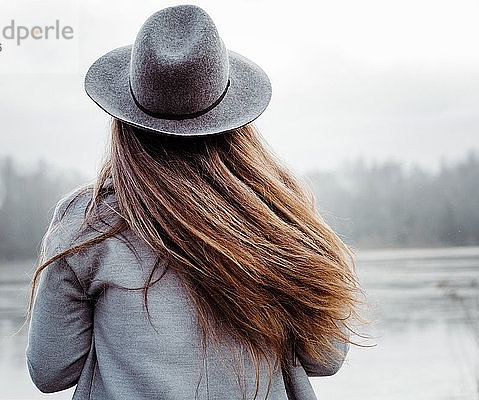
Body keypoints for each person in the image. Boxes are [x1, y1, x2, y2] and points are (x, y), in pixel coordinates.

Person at [25, 5, 363, 400]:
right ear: (235, 121)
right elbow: (327, 358)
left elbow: (50, 370)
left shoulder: (88, 222)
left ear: (125, 120)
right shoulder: (278, 215)